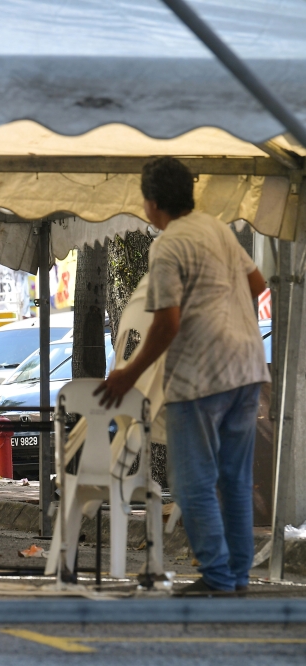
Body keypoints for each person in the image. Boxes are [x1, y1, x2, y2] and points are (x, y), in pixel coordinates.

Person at [96, 157, 268, 595]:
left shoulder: (167, 246)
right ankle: (238, 575)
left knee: (193, 480)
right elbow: (256, 283)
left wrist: (128, 374)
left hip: (201, 375)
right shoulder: (217, 228)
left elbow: (168, 324)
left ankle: (217, 574)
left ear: (152, 205)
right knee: (234, 477)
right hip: (247, 368)